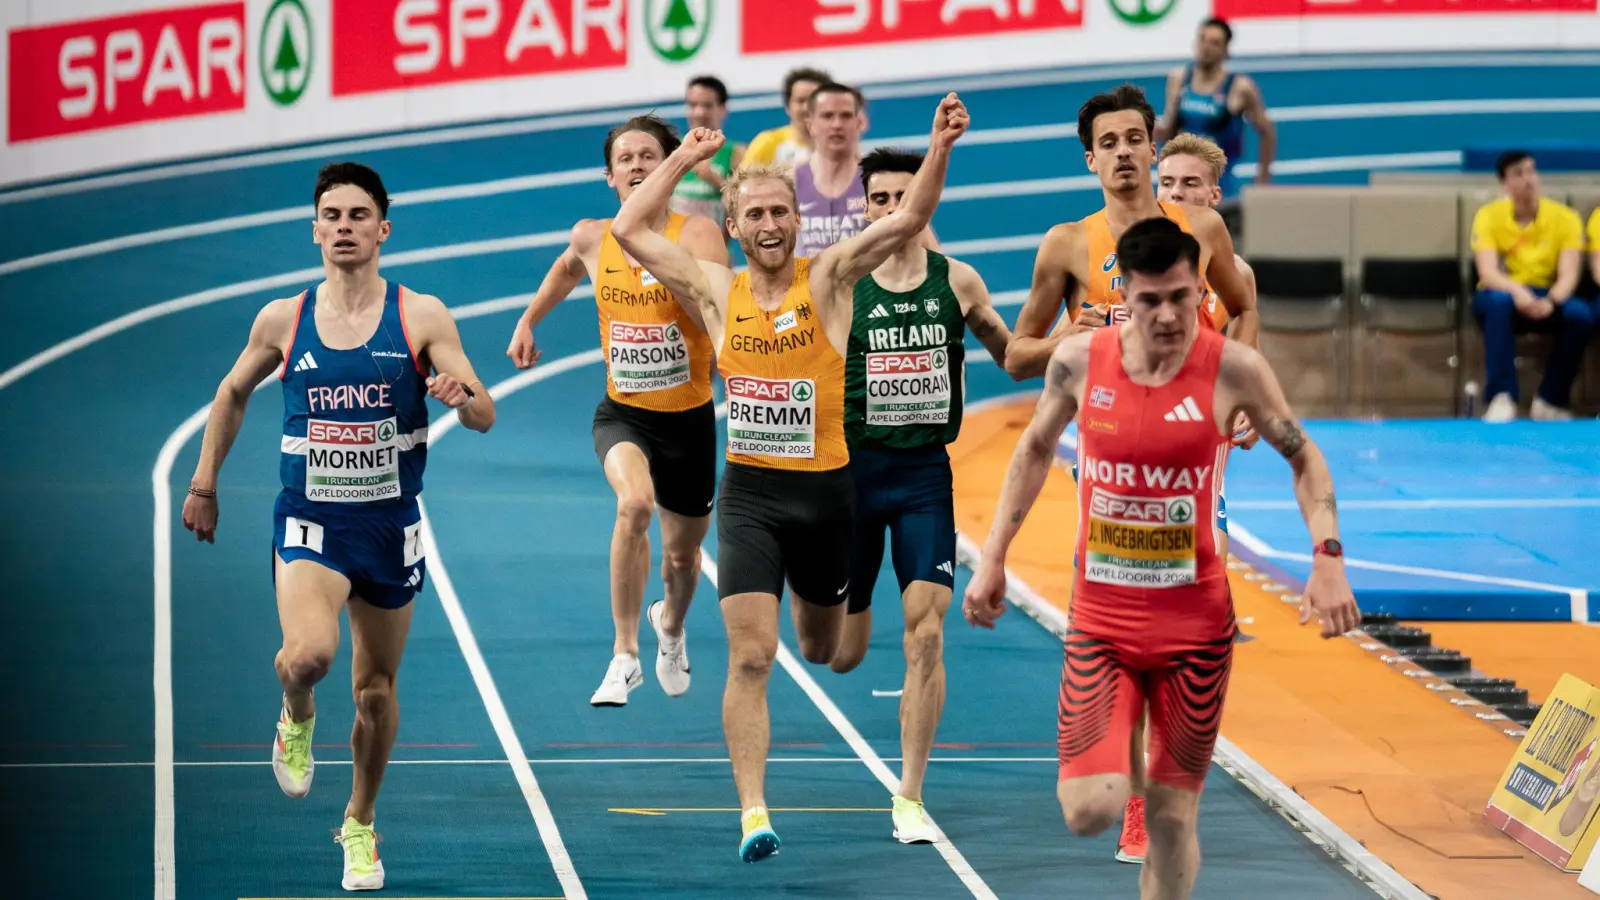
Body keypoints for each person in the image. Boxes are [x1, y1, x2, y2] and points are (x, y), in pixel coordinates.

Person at [610, 94, 969, 863]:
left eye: (781, 212)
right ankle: (753, 811)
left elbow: (907, 222)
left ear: (798, 219)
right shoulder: (714, 290)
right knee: (750, 655)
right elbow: (629, 229)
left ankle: (843, 610)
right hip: (750, 497)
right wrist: (681, 161)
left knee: (819, 647)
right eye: (755, 215)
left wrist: (939, 147)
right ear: (735, 228)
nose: (770, 226)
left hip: (827, 498)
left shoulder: (832, 279)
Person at [963, 217, 1360, 900]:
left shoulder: (1234, 369)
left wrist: (1327, 557)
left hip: (1196, 631)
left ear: (1195, 289)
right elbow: (1030, 451)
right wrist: (993, 556)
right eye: (1151, 301)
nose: (1170, 315)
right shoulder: (1081, 361)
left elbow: (1304, 456)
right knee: (1089, 810)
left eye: (1182, 297)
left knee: (1173, 818)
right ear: (1126, 296)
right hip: (1103, 623)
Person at [181, 162, 498, 892]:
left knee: (377, 693)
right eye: (333, 215)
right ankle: (295, 712)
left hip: (389, 528)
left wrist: (458, 395)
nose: (345, 226)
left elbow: (484, 414)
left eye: (359, 215)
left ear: (383, 230)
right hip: (312, 521)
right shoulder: (281, 320)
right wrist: (204, 481)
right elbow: (231, 393)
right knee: (307, 658)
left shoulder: (421, 316)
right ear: (315, 229)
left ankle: (359, 823)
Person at [506, 115, 730, 706]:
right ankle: (624, 654)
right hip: (624, 414)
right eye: (624, 159)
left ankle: (671, 629)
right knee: (633, 504)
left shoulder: (700, 235)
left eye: (648, 155)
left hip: (689, 421)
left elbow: (713, 303)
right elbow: (565, 268)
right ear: (610, 177)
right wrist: (530, 318)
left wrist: (653, 253)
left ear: (669, 167)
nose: (636, 165)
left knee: (683, 559)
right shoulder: (591, 236)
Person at [825, 146, 1014, 843]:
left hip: (923, 479)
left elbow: (1014, 355)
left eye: (905, 197)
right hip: (851, 479)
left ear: (926, 200)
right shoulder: (842, 279)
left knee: (927, 636)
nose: (893, 210)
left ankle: (909, 795)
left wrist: (1075, 343)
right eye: (879, 200)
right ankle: (843, 609)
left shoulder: (958, 282)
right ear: (863, 208)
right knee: (837, 654)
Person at [1004, 84, 1259, 386]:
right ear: (1091, 160)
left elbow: (1244, 310)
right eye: (1109, 143)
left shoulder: (1204, 226)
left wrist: (1240, 390)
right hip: (1109, 422)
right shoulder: (1066, 244)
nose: (1123, 150)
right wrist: (1065, 340)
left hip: (1196, 418)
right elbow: (1016, 360)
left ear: (1152, 151)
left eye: (1134, 140)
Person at [1469, 150, 1590, 422]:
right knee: (1497, 304)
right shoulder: (1488, 216)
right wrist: (1518, 292)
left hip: (1547, 294)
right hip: (1503, 293)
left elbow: (1569, 275)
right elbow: (1488, 272)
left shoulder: (1565, 218)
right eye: (1518, 173)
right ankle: (1502, 397)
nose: (1528, 179)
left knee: (1580, 315)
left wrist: (1551, 301)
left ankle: (1550, 400)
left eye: (1531, 171)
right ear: (1505, 184)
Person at [1155, 17, 1276, 210]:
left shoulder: (1240, 88)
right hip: (1181, 188)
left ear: (1226, 51)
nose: (1206, 47)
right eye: (1202, 39)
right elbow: (1169, 128)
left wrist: (1262, 182)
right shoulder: (1179, 79)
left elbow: (1267, 133)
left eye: (1214, 43)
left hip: (1220, 189)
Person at [1157, 132, 1258, 342]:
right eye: (1166, 183)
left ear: (1215, 195)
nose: (1175, 193)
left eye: (1190, 183)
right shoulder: (1125, 256)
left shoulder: (1239, 273)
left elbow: (1246, 352)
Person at [794, 82, 872, 259]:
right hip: (808, 283)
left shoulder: (878, 179)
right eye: (827, 116)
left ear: (859, 123)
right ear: (810, 125)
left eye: (845, 116)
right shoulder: (791, 179)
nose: (837, 124)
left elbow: (926, 246)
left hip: (864, 285)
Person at [672, 75, 746, 246]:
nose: (699, 112)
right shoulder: (672, 149)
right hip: (673, 255)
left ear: (723, 109)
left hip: (715, 255)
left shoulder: (736, 153)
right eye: (692, 105)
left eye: (707, 105)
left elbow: (748, 207)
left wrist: (715, 180)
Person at [744, 67, 831, 169]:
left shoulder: (840, 145)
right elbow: (740, 183)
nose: (807, 108)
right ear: (787, 107)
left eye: (814, 100)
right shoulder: (767, 142)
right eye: (800, 100)